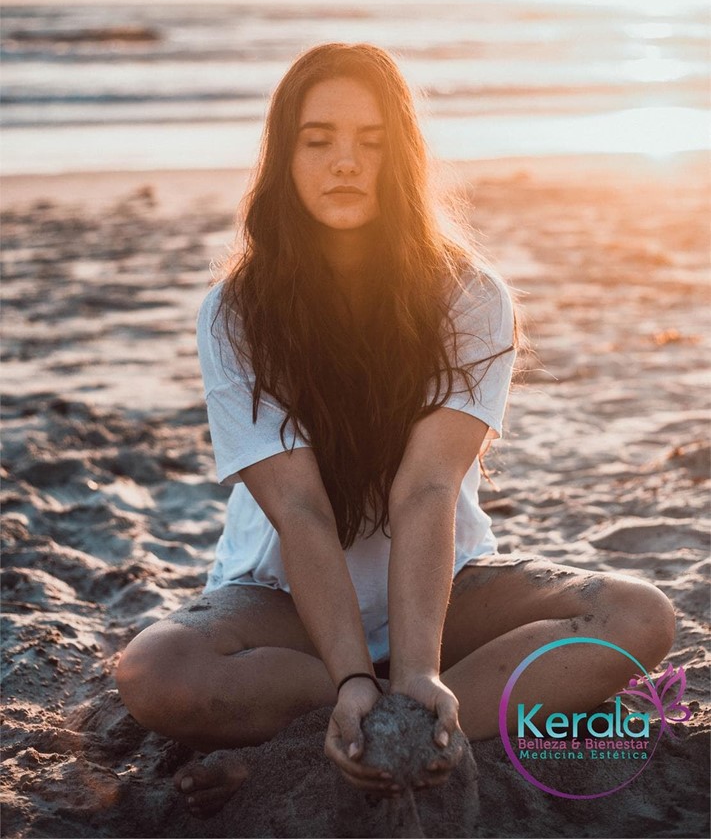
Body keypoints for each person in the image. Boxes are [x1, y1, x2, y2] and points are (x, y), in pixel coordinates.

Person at [116, 43, 676, 818]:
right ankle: (377, 710)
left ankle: (390, 719)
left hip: (444, 596)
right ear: (284, 157)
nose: (345, 161)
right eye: (318, 141)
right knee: (157, 673)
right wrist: (349, 675)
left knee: (637, 616)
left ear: (402, 158)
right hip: (283, 604)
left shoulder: (470, 296)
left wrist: (415, 668)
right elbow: (300, 510)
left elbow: (428, 487)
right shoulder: (236, 311)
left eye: (371, 142)